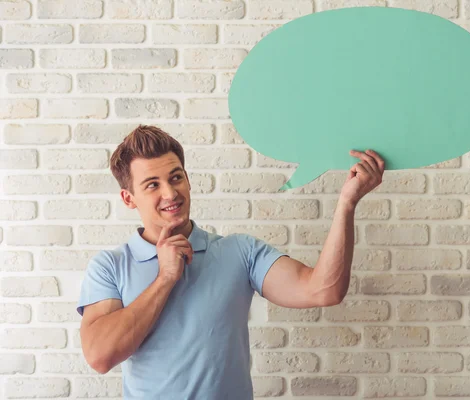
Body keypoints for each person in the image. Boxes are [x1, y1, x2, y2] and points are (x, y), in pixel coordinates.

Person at [77, 125, 385, 399]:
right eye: (152, 184)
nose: (170, 192)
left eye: (176, 177)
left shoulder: (239, 252)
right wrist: (165, 278)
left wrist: (347, 203)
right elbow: (100, 357)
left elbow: (324, 290)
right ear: (128, 198)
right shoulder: (110, 266)